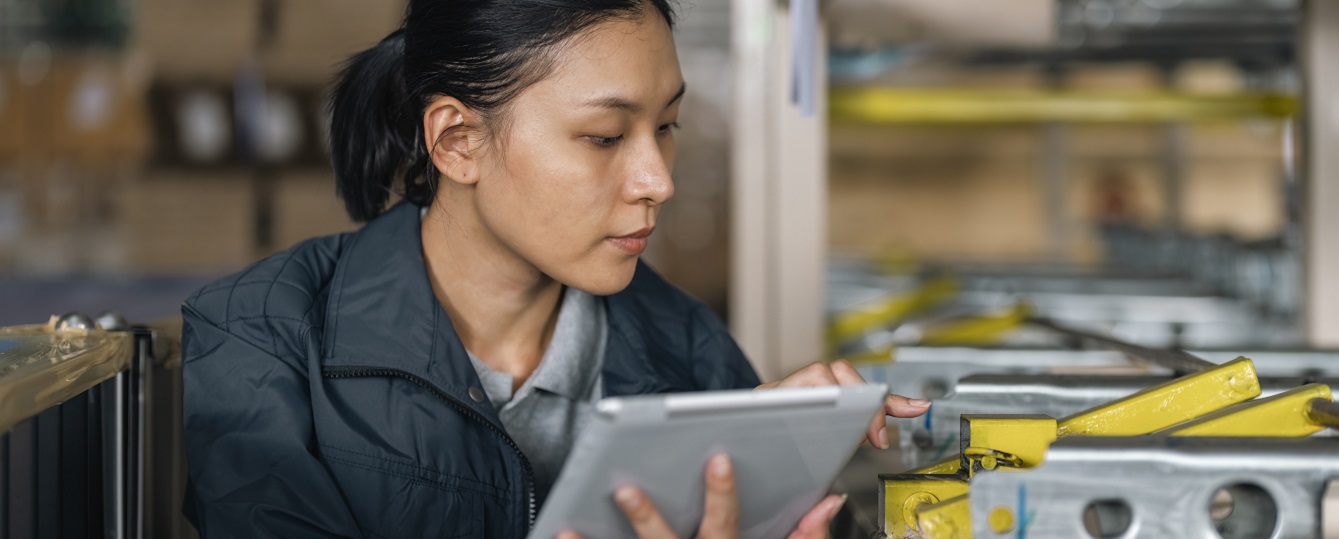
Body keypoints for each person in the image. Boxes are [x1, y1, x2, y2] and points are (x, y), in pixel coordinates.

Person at [178, 1, 929, 537]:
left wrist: (779, 461)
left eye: (665, 127)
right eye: (604, 136)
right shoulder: (263, 336)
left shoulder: (687, 345)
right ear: (456, 140)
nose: (657, 179)